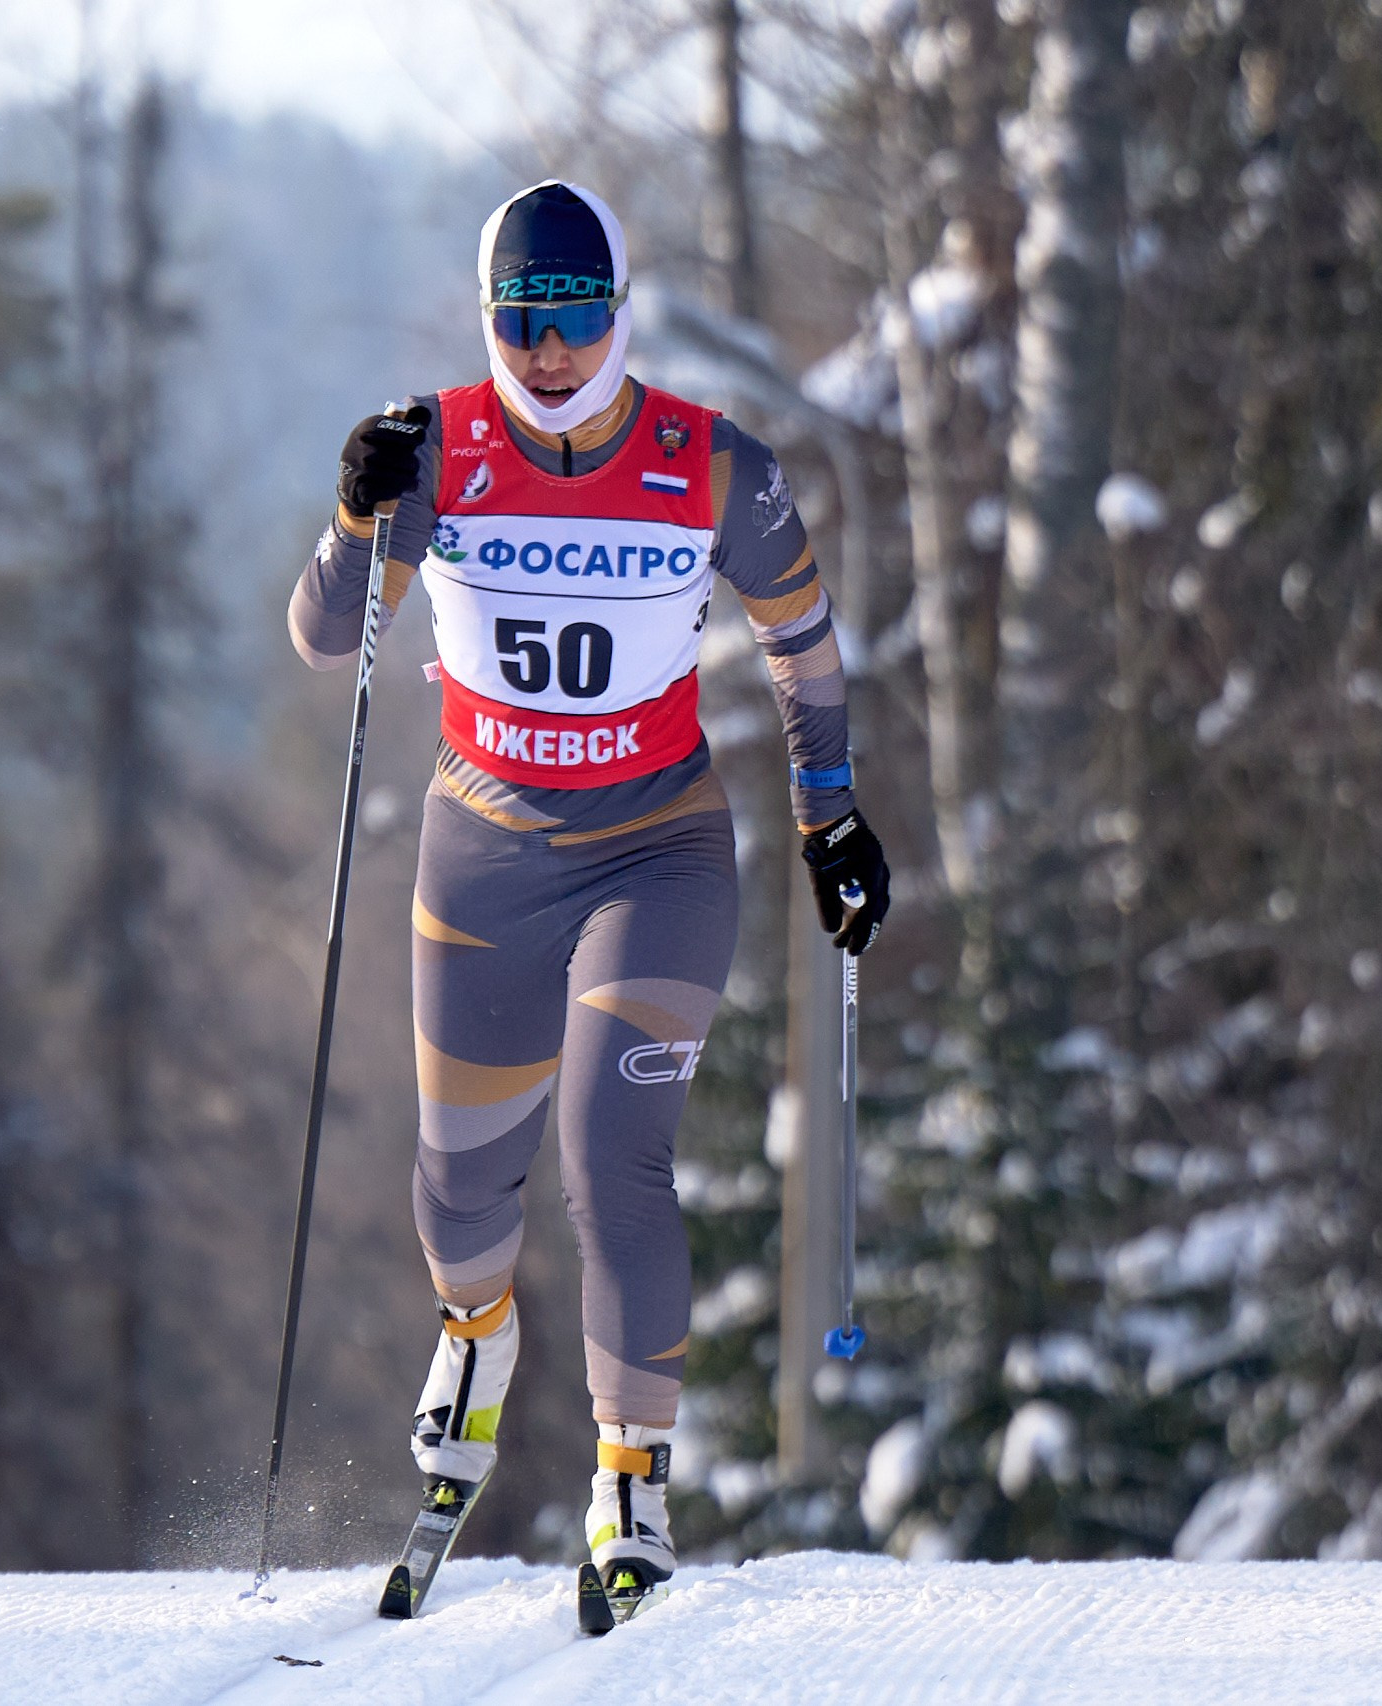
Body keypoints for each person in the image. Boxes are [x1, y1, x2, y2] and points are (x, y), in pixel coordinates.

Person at [287, 180, 890, 1605]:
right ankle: (477, 1332)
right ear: (488, 320)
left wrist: (830, 816)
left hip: (655, 848)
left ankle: (633, 1479)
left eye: (572, 318)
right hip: (486, 852)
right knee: (460, 1187)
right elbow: (325, 636)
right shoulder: (436, 449)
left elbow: (804, 643)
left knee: (612, 1149)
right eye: (520, 321)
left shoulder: (709, 464)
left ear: (616, 312)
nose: (548, 351)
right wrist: (355, 511)